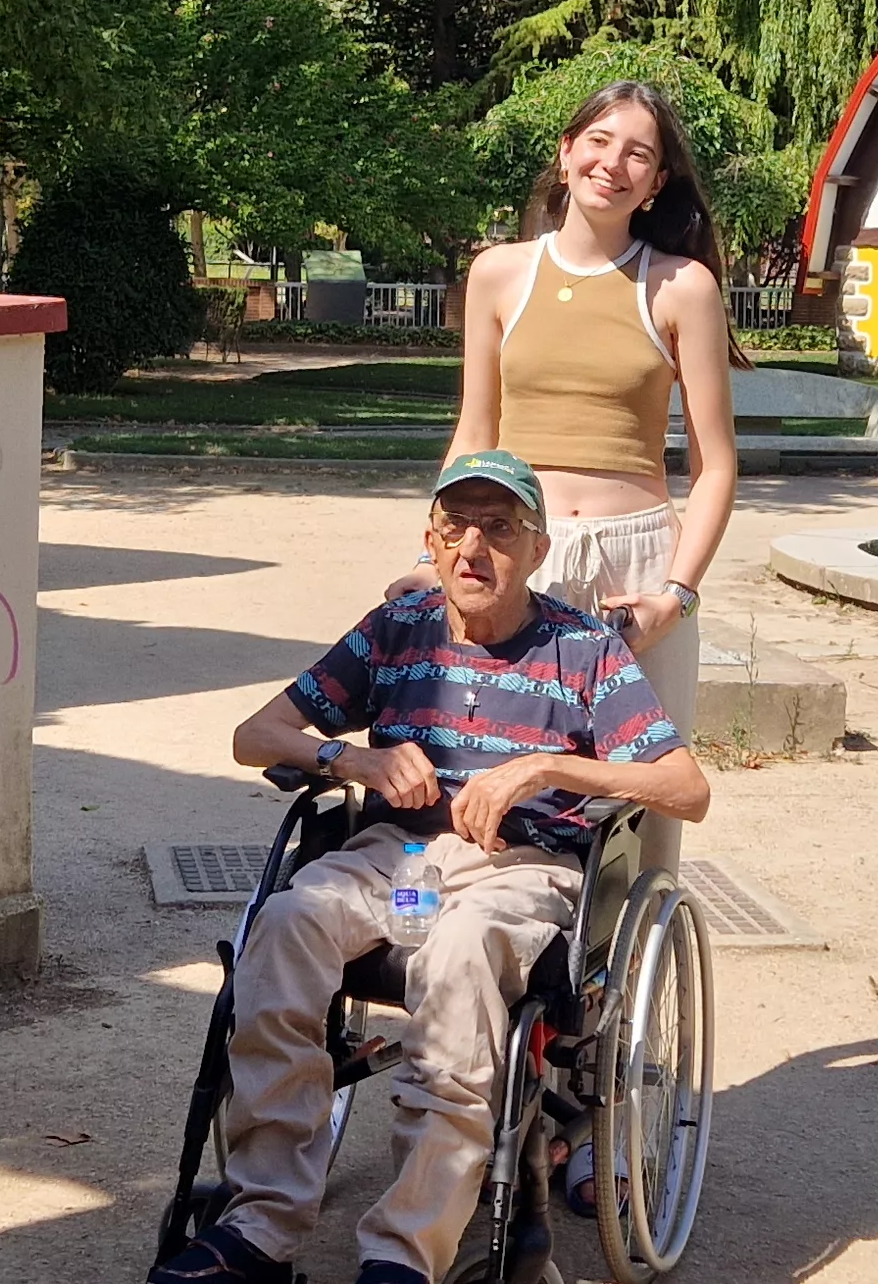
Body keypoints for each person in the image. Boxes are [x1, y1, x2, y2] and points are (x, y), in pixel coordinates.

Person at [166, 453, 710, 1284]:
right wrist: (353, 762)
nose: (473, 548)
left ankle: (405, 1251)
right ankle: (261, 1225)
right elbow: (255, 736)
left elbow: (684, 787)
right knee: (285, 923)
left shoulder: (583, 647)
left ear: (537, 548)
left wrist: (546, 770)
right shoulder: (397, 632)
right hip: (402, 866)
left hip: (517, 868)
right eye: (455, 528)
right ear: (431, 540)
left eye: (499, 529)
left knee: (458, 960)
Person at [428, 82, 739, 877]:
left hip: (633, 565)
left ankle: (618, 982)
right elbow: (475, 433)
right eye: (598, 141)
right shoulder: (499, 273)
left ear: (658, 180)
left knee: (642, 800)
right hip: (514, 549)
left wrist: (678, 593)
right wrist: (440, 546)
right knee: (484, 768)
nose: (615, 163)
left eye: (640, 152)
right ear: (566, 154)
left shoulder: (682, 287)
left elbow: (714, 466)